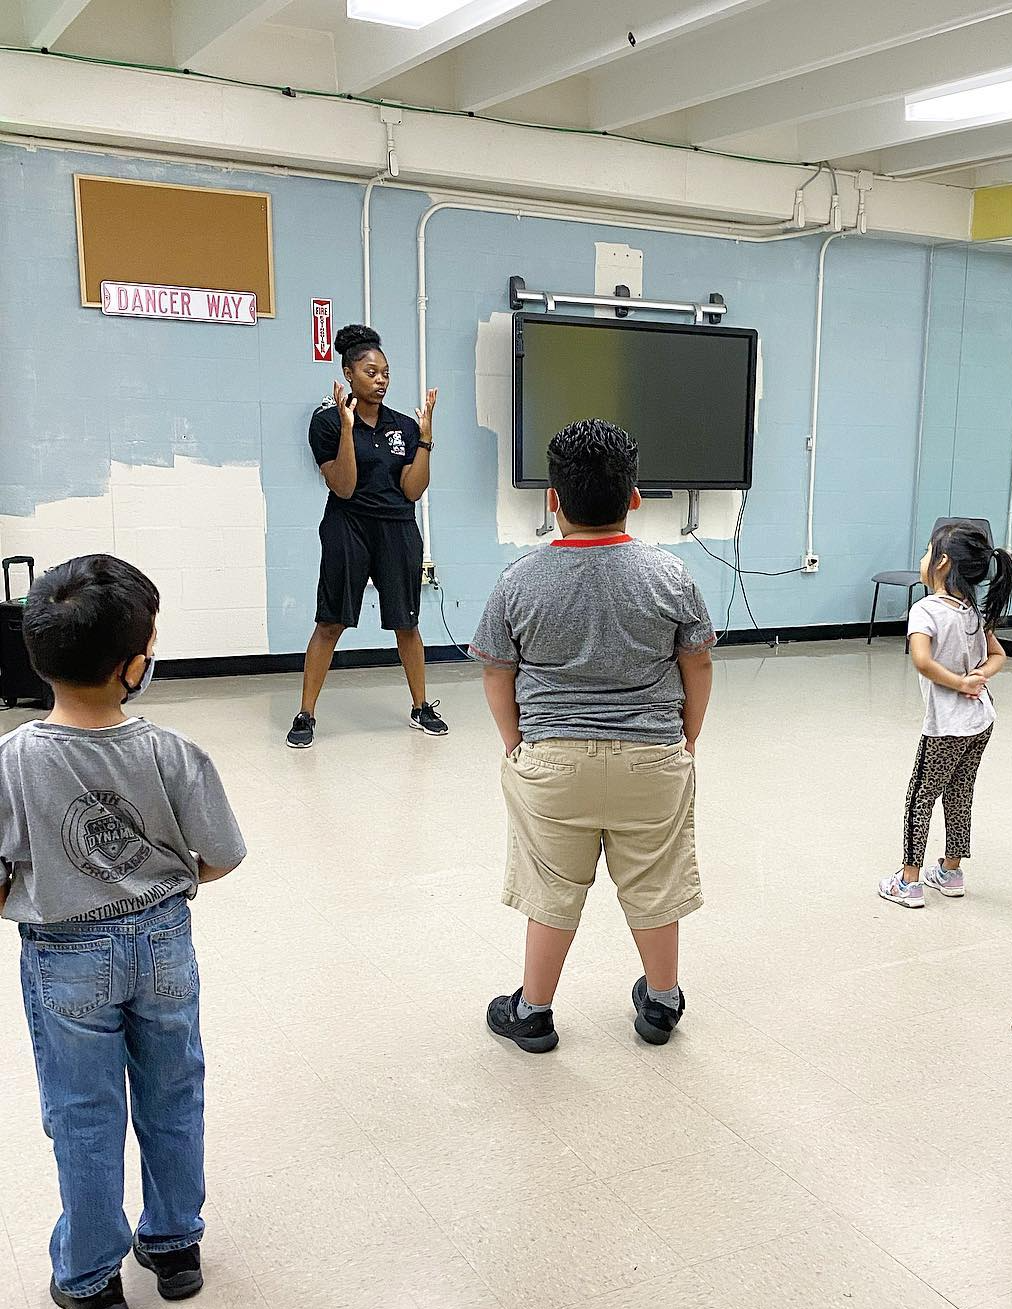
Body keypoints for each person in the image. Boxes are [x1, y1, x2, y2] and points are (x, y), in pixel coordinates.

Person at [1, 555, 246, 1309]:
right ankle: (175, 1247)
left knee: (84, 1116)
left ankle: (91, 1280)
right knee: (175, 1094)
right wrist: (165, 884)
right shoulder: (172, 752)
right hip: (165, 945)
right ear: (134, 666)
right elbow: (223, 853)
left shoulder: (14, 760)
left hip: (64, 955)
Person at [473, 419, 715, 1052]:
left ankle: (533, 1011)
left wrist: (516, 743)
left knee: (551, 888)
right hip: (653, 760)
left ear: (553, 500)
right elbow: (698, 663)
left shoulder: (519, 580)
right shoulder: (671, 577)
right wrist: (683, 738)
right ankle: (662, 1003)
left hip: (552, 763)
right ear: (634, 497)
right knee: (655, 882)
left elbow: (498, 672)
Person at [287, 323, 445, 748]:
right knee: (331, 621)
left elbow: (413, 489)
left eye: (386, 373)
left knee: (406, 622)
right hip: (348, 525)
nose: (381, 381)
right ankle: (306, 714)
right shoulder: (325, 423)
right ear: (349, 374)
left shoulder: (403, 427)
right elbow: (344, 486)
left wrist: (426, 440)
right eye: (372, 372)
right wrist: (345, 427)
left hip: (397, 528)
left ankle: (420, 706)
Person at [878, 522, 1012, 907]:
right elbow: (999, 656)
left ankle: (909, 882)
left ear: (941, 563)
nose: (921, 560)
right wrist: (978, 677)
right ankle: (951, 872)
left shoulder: (925, 610)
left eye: (926, 552)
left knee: (920, 797)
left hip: (945, 728)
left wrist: (959, 683)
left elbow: (921, 660)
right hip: (980, 724)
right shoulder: (971, 611)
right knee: (960, 793)